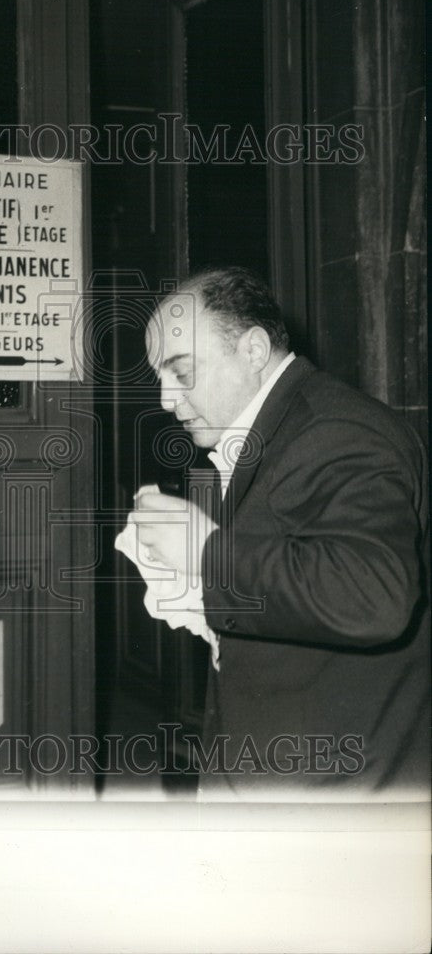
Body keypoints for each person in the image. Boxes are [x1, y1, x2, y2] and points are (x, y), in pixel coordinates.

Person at [132, 266, 429, 797]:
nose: (164, 399)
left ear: (252, 350)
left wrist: (205, 553)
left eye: (180, 371)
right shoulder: (273, 427)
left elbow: (374, 597)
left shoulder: (336, 431)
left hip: (336, 792)